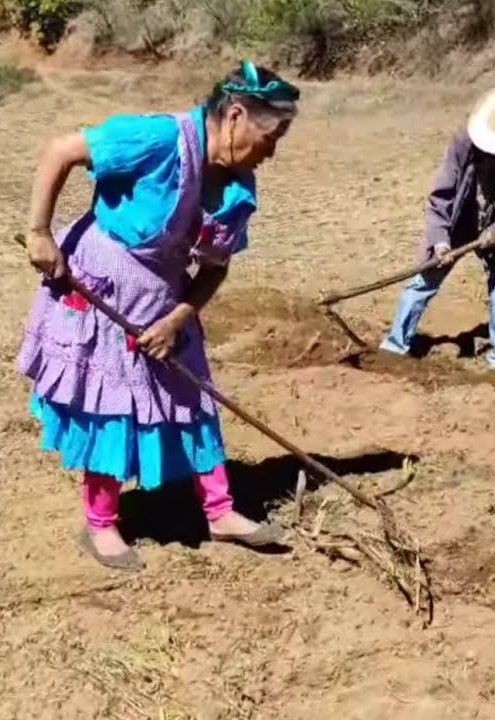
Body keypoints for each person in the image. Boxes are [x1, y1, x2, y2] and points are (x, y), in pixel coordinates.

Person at [17, 61, 299, 571]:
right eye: (270, 135)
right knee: (108, 406)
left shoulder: (236, 189)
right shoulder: (155, 138)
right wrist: (40, 234)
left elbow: (215, 269)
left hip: (165, 300)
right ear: (235, 115)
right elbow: (61, 151)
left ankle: (220, 511)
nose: (273, 152)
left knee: (192, 396)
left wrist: (178, 318)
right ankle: (101, 524)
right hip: (101, 289)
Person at [380, 88, 495, 368]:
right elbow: (442, 194)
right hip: (460, 218)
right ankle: (395, 346)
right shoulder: (465, 140)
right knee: (424, 279)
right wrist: (441, 240)